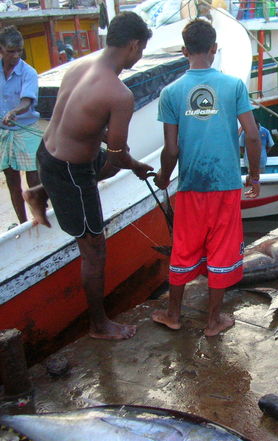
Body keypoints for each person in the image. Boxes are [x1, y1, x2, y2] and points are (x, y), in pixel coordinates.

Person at [23, 12, 154, 340]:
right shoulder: (120, 95)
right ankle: (99, 324)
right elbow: (116, 155)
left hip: (47, 154)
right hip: (71, 170)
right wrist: (135, 166)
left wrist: (126, 162)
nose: (139, 57)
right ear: (134, 45)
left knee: (95, 157)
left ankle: (39, 192)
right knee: (95, 247)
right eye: (141, 50)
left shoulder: (80, 66)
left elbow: (90, 132)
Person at [150, 19, 262, 337]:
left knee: (184, 247)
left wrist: (163, 176)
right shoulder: (233, 86)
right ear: (214, 49)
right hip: (225, 184)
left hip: (190, 185)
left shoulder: (170, 92)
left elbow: (171, 148)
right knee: (222, 250)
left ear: (185, 51)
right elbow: (252, 137)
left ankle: (173, 314)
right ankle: (213, 321)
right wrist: (253, 176)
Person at [0, 26, 42, 226]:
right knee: (12, 180)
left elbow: (26, 102)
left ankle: (39, 218)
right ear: (1, 49)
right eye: (11, 51)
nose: (16, 55)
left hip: (25, 129)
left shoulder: (29, 72)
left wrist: (13, 112)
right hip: (4, 132)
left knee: (33, 178)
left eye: (19, 51)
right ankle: (23, 222)